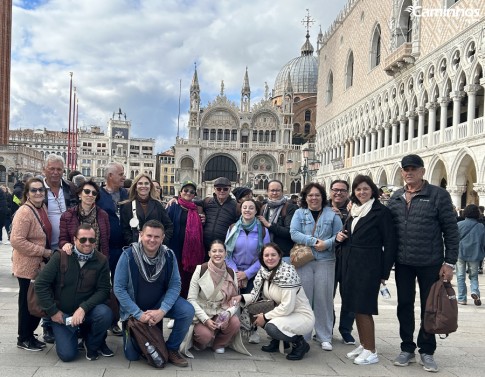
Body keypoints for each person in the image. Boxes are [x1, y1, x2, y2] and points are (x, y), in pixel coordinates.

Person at [387, 154, 458, 373]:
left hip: (431, 262)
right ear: (401, 173)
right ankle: (406, 347)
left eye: (414, 169)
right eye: (406, 169)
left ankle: (427, 350)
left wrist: (450, 263)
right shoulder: (396, 197)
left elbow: (451, 230)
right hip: (403, 263)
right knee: (404, 306)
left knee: (430, 308)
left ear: (422, 171)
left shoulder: (438, 195)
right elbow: (387, 229)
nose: (409, 172)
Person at [113, 220, 194, 367]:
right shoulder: (128, 255)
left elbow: (175, 284)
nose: (152, 240)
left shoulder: (168, 256)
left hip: (159, 303)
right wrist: (139, 314)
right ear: (141, 235)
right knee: (132, 356)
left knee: (187, 310)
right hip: (135, 310)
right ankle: (146, 337)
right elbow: (118, 288)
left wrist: (162, 310)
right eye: (148, 235)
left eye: (157, 237)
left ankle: (171, 349)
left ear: (162, 238)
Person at [335, 175, 397, 365]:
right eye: (358, 189)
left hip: (369, 266)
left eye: (365, 189)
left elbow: (390, 243)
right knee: (354, 305)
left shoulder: (381, 212)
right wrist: (341, 237)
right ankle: (364, 343)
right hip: (351, 264)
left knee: (364, 308)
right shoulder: (354, 210)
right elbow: (351, 234)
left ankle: (371, 350)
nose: (361, 192)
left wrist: (383, 273)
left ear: (373, 191)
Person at [35, 224, 113, 362]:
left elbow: (104, 290)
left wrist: (83, 308)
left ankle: (91, 343)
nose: (87, 243)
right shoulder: (61, 256)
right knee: (67, 355)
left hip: (87, 312)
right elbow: (41, 284)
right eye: (83, 240)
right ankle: (64, 332)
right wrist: (53, 312)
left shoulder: (101, 260)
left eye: (92, 240)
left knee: (105, 313)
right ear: (75, 239)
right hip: (62, 314)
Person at [232, 243, 315, 361]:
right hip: (283, 312)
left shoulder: (287, 274)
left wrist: (265, 317)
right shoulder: (264, 272)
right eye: (266, 255)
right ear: (262, 258)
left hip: (300, 315)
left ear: (280, 256)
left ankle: (300, 344)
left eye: (273, 255)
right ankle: (281, 341)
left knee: (272, 327)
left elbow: (287, 307)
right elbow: (255, 295)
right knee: (252, 308)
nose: (270, 258)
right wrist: (240, 297)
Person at [290, 182, 340, 352]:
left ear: (322, 197)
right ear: (305, 197)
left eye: (317, 195)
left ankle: (324, 335)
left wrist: (326, 244)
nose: (313, 198)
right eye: (310, 195)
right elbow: (294, 233)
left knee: (323, 298)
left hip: (325, 260)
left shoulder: (332, 214)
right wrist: (313, 241)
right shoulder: (299, 213)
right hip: (304, 261)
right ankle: (304, 334)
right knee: (304, 299)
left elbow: (339, 235)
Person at [180, 240, 249, 356]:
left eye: (221, 251)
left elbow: (234, 300)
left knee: (235, 322)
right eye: (214, 251)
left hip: (221, 310)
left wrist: (228, 313)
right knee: (204, 336)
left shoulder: (231, 273)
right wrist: (205, 319)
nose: (218, 254)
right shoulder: (200, 270)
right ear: (209, 254)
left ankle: (219, 343)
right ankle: (199, 342)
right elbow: (191, 299)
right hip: (202, 311)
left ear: (226, 254)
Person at [11, 178, 52, 351]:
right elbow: (16, 240)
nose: (38, 193)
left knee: (35, 301)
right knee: (27, 302)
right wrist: (43, 252)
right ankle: (23, 337)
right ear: (27, 194)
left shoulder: (41, 207)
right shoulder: (24, 212)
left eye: (41, 190)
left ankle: (29, 334)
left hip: (38, 265)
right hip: (27, 265)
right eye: (34, 190)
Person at [41, 155, 78, 343]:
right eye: (52, 169)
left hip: (67, 246)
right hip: (46, 246)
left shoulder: (69, 188)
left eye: (59, 169)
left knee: (62, 287)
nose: (55, 172)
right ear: (44, 169)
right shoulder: (38, 188)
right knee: (47, 286)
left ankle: (62, 322)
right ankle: (47, 325)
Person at [225, 198, 270, 344]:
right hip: (235, 271)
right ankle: (234, 329)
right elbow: (227, 254)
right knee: (233, 302)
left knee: (253, 302)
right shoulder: (232, 228)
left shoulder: (263, 230)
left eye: (251, 208)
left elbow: (265, 255)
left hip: (254, 272)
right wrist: (236, 273)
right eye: (245, 207)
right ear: (241, 210)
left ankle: (252, 330)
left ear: (256, 211)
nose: (247, 210)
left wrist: (247, 273)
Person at [97, 162, 128, 336]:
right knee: (102, 284)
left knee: (119, 285)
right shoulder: (99, 195)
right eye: (120, 174)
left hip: (122, 248)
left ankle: (116, 319)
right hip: (104, 248)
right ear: (110, 176)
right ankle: (102, 319)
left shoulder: (126, 193)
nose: (124, 176)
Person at [166, 180, 205, 298]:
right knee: (175, 278)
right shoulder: (173, 205)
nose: (188, 193)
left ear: (194, 195)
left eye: (192, 192)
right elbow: (166, 224)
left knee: (188, 279)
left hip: (191, 252)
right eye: (186, 190)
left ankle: (185, 300)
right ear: (180, 192)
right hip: (175, 248)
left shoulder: (196, 209)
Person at [329, 179, 356, 345]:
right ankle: (327, 328)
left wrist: (351, 216)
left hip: (349, 259)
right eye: (335, 190)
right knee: (326, 297)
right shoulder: (323, 208)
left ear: (348, 192)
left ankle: (346, 330)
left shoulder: (356, 208)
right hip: (328, 258)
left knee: (349, 296)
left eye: (343, 190)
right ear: (330, 191)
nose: (338, 193)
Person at [59, 179, 110, 257]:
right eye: (87, 191)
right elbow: (62, 239)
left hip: (97, 260)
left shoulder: (103, 215)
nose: (90, 195)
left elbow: (106, 240)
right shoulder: (68, 215)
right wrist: (66, 244)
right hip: (74, 259)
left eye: (94, 193)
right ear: (80, 194)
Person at [120, 173, 173, 246]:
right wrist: (133, 243)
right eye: (140, 183)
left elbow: (169, 226)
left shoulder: (158, 205)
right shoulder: (127, 206)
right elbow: (125, 229)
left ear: (150, 186)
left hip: (155, 248)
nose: (143, 186)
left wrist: (161, 242)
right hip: (135, 247)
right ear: (135, 187)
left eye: (146, 183)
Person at [257, 179, 298, 262]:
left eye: (278, 190)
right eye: (272, 190)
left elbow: (289, 232)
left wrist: (269, 225)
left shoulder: (290, 208)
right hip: (266, 254)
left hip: (283, 254)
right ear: (267, 192)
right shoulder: (264, 207)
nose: (275, 193)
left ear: (282, 192)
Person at [456, 204, 485, 306]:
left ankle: (462, 298)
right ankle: (474, 291)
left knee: (460, 276)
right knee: (474, 276)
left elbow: (453, 240)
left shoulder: (459, 225)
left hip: (460, 253)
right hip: (475, 254)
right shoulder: (481, 226)